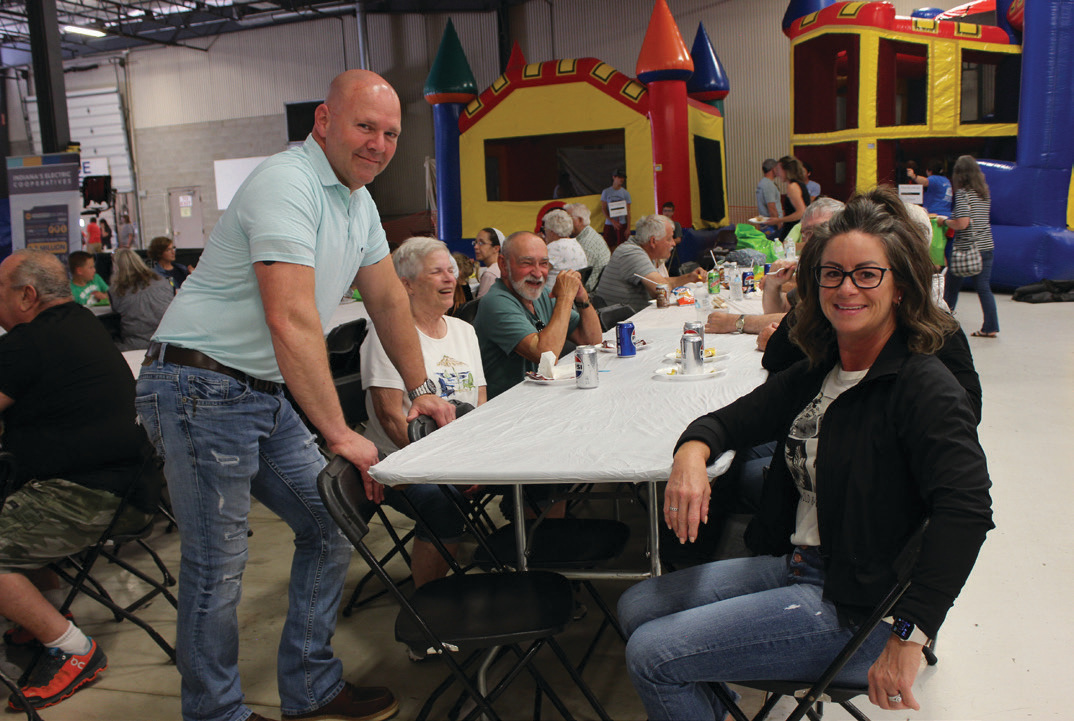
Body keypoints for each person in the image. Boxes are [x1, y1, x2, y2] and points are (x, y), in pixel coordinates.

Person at [135, 69, 453, 721]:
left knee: (333, 520)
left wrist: (421, 387)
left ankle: (309, 687)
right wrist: (339, 431)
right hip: (198, 384)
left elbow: (389, 298)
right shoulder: (289, 182)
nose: (380, 143)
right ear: (325, 122)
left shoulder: (358, 201)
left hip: (260, 388)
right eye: (366, 126)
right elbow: (291, 317)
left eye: (391, 133)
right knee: (218, 564)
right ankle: (216, 713)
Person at [618, 188, 993, 721]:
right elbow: (729, 420)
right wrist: (692, 457)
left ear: (902, 289)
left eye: (867, 274)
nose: (846, 288)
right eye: (832, 274)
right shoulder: (824, 369)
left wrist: (910, 635)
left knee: (653, 654)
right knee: (636, 607)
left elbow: (968, 512)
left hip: (861, 607)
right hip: (803, 566)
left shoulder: (922, 386)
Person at [0, 250, 155, 711]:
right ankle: (43, 611)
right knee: (15, 508)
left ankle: (73, 650)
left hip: (91, 495)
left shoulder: (27, 343)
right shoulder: (82, 323)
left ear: (27, 295)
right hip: (131, 488)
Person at [361, 238, 486, 588]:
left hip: (460, 457)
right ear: (406, 284)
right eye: (437, 272)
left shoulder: (464, 331)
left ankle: (525, 572)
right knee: (441, 502)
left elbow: (480, 404)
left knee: (534, 475)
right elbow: (390, 420)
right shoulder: (385, 337)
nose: (451, 279)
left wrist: (480, 458)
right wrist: (446, 470)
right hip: (403, 462)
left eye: (452, 270)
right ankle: (430, 609)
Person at [472, 231, 601, 399]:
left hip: (541, 398)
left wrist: (582, 299)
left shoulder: (541, 296)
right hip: (507, 407)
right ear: (503, 265)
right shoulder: (495, 302)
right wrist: (565, 297)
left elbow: (592, 342)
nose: (538, 273)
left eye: (544, 264)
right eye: (527, 263)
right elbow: (546, 356)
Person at [594, 214, 705, 312]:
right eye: (669, 239)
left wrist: (690, 277)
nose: (673, 244)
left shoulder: (643, 251)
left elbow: (660, 282)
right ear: (653, 241)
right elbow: (661, 289)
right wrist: (684, 280)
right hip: (621, 324)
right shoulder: (631, 253)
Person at [940, 155, 999, 338]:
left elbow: (962, 223)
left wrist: (945, 221)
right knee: (983, 287)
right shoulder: (984, 194)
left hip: (967, 249)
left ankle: (941, 324)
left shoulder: (963, 194)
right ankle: (991, 326)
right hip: (986, 245)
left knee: (951, 287)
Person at [108, 249, 175, 351]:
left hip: (134, 345)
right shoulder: (162, 281)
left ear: (115, 267)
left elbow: (117, 311)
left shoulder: (116, 290)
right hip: (167, 343)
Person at [762, 155, 812, 240]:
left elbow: (801, 213)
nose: (777, 174)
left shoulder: (792, 186)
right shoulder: (799, 184)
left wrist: (778, 220)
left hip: (793, 229)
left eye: (778, 170)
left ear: (786, 170)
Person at [563, 203, 609, 292]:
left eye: (568, 219)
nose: (564, 223)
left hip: (588, 292)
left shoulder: (586, 244)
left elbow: (578, 277)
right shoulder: (588, 234)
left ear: (580, 220)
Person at [542, 208, 587, 286]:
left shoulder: (554, 247)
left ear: (552, 232)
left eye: (545, 229)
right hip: (573, 292)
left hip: (553, 295)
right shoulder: (576, 244)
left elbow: (538, 272)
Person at [600, 168, 631, 248]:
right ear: (614, 177)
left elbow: (628, 211)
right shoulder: (606, 192)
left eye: (623, 178)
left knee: (622, 246)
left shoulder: (625, 193)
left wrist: (628, 228)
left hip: (622, 223)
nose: (621, 179)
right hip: (609, 224)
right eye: (619, 177)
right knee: (607, 246)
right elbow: (603, 209)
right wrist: (612, 221)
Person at [473, 226, 504, 298]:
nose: (476, 247)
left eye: (481, 243)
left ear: (496, 248)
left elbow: (481, 305)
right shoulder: (502, 268)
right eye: (475, 242)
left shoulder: (490, 275)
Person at [755, 158, 781, 235]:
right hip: (771, 225)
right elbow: (771, 207)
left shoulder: (762, 183)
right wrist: (778, 223)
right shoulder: (769, 185)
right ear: (773, 169)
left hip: (765, 223)